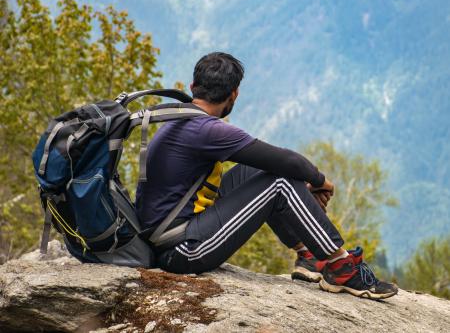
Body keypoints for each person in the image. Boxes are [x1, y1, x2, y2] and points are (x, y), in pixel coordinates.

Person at [135, 52, 398, 300]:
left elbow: (275, 163)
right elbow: (288, 161)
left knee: (259, 170)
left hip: (172, 234)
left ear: (193, 86)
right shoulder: (206, 130)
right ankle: (341, 268)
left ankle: (309, 256)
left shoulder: (180, 119)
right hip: (180, 251)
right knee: (280, 180)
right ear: (234, 94)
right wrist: (320, 181)